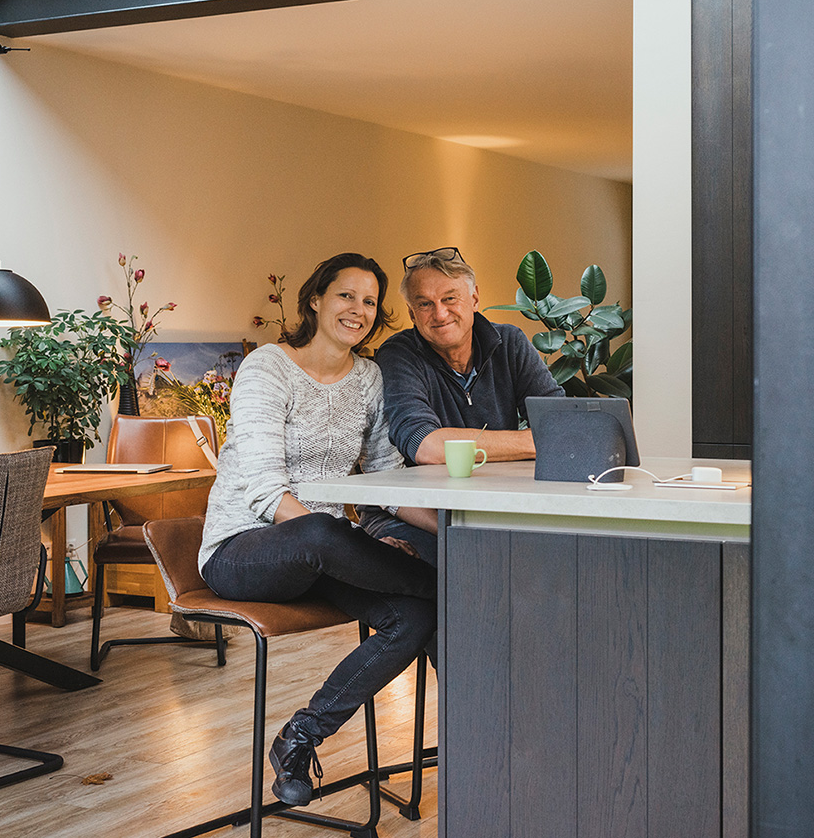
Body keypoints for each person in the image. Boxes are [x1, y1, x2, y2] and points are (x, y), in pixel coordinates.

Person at [198, 252, 439, 808]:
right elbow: (262, 486)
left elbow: (385, 476)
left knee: (416, 616)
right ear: (315, 299)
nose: (358, 309)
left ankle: (300, 736)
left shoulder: (370, 379)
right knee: (323, 533)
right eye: (346, 295)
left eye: (370, 302)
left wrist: (451, 536)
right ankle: (455, 587)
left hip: (322, 554)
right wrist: (359, 547)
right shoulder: (268, 366)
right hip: (243, 550)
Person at [361, 246, 564, 565]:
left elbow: (561, 425)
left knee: (558, 556)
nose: (439, 314)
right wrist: (535, 441)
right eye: (424, 304)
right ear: (412, 314)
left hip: (491, 506)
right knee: (472, 565)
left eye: (449, 298)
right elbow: (426, 447)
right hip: (412, 515)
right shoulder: (399, 354)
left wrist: (547, 438)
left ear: (474, 298)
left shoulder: (509, 342)